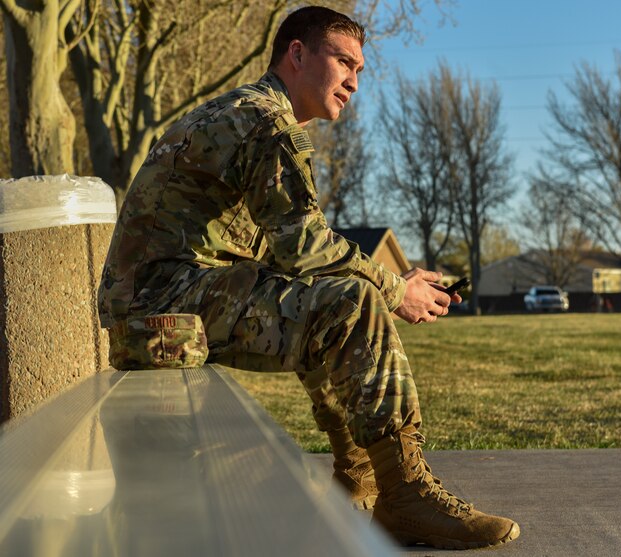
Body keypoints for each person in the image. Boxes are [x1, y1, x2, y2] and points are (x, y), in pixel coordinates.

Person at [98, 6, 519, 550]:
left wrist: (389, 279)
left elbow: (289, 252)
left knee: (332, 298)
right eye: (343, 61)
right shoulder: (265, 122)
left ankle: (362, 480)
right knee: (349, 303)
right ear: (296, 54)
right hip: (164, 313)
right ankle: (403, 492)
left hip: (162, 305)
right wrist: (395, 290)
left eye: (360, 69)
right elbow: (305, 246)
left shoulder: (246, 112)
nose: (353, 80)